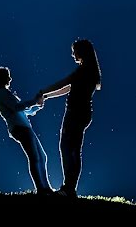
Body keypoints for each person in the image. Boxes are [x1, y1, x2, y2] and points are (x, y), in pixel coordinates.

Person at [38, 39, 102, 198]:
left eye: (75, 51)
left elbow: (63, 83)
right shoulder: (91, 71)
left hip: (75, 113)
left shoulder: (83, 70)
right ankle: (70, 188)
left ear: (82, 52)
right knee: (74, 149)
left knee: (67, 148)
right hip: (85, 113)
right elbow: (68, 88)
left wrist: (42, 91)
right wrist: (46, 95)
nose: (73, 54)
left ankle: (68, 188)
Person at [0, 66, 53, 194]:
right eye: (7, 75)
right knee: (35, 157)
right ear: (2, 78)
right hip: (20, 128)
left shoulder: (4, 93)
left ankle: (45, 188)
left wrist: (37, 105)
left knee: (41, 156)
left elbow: (24, 111)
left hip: (24, 127)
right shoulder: (1, 93)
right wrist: (34, 101)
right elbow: (17, 107)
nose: (10, 78)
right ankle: (42, 189)